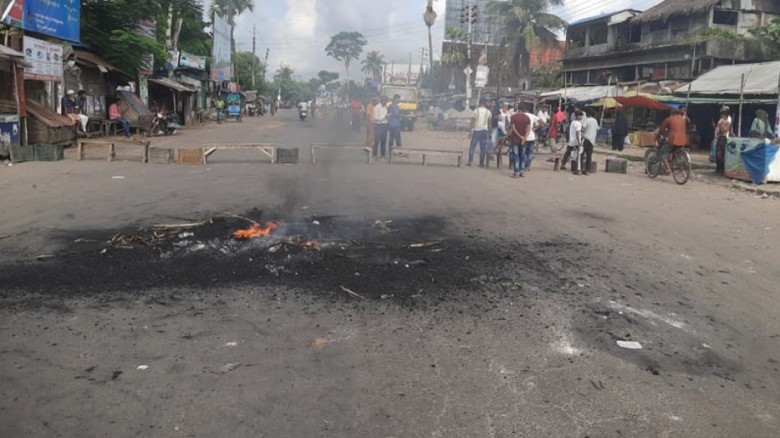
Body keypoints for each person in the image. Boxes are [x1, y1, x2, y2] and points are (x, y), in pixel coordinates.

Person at [656, 109, 689, 174]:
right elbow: (688, 122)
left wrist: (657, 137)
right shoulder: (683, 120)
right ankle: (673, 166)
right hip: (682, 141)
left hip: (672, 139)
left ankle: (668, 169)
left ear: (671, 113)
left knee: (662, 153)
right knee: (675, 152)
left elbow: (661, 129)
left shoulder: (669, 119)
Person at [468, 99, 492, 167]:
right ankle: (481, 163)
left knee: (472, 146)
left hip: (476, 131)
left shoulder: (476, 111)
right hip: (484, 131)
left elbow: (472, 121)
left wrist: (470, 131)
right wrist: (490, 133)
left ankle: (470, 161)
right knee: (483, 148)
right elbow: (489, 124)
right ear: (484, 104)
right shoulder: (488, 112)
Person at [509, 104, 531, 178]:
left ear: (518, 109)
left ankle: (516, 172)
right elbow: (529, 129)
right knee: (523, 155)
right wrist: (524, 138)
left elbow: (513, 128)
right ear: (524, 109)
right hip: (524, 140)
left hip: (515, 139)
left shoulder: (513, 117)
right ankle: (522, 171)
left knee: (516, 155)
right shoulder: (527, 118)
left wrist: (520, 136)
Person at [520, 105, 539, 173]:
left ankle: (523, 166)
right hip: (532, 137)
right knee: (530, 153)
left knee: (523, 152)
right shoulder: (532, 115)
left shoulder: (521, 116)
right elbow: (541, 121)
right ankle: (527, 167)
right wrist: (534, 129)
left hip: (524, 136)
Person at [581, 110, 599, 175]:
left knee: (581, 154)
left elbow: (583, 127)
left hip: (586, 138)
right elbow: (597, 128)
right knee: (589, 155)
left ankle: (580, 168)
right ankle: (587, 170)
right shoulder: (595, 121)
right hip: (592, 140)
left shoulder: (587, 120)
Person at [714, 108, 731, 173]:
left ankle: (721, 167)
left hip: (722, 138)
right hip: (721, 137)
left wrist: (720, 131)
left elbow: (723, 130)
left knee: (721, 153)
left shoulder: (725, 121)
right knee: (719, 153)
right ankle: (719, 167)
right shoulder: (722, 121)